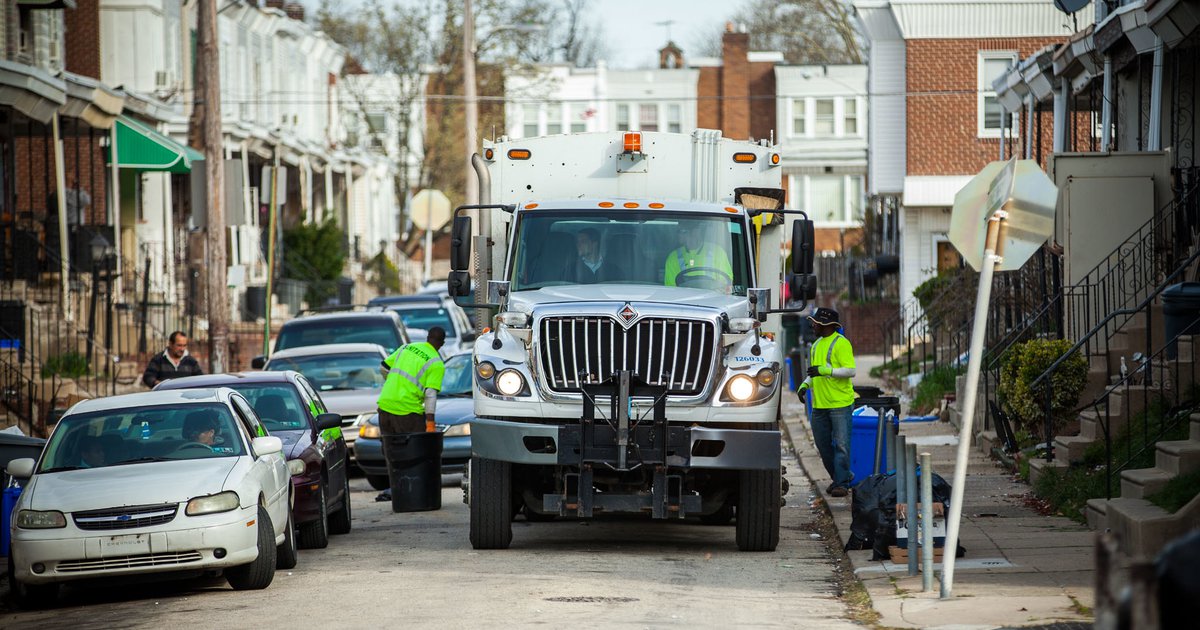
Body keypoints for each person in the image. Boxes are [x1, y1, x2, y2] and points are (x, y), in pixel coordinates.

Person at [375, 326, 446, 501]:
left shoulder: (406, 348)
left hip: (385, 405)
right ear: (442, 343)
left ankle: (396, 489)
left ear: (427, 337)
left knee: (391, 450)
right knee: (414, 453)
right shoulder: (436, 362)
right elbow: (430, 394)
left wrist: (395, 384)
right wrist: (430, 423)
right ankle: (413, 490)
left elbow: (383, 368)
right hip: (408, 411)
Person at [796, 307, 857, 497]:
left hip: (840, 404)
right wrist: (804, 385)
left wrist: (825, 371)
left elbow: (850, 371)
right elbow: (814, 373)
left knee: (841, 446)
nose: (812, 326)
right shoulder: (815, 346)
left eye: (815, 323)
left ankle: (841, 483)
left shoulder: (841, 343)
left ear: (825, 324)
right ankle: (842, 477)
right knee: (823, 446)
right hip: (820, 405)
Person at [663, 222, 733, 288]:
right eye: (680, 232)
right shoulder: (673, 257)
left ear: (698, 231)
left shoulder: (717, 252)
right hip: (683, 299)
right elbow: (671, 288)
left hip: (712, 298)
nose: (679, 235)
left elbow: (726, 283)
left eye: (683, 231)